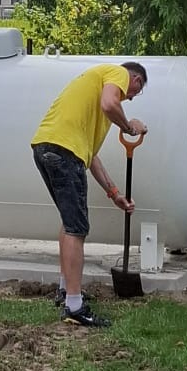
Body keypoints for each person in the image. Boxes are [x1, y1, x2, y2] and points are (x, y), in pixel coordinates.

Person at [31, 62, 148, 328]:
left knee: (70, 222)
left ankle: (65, 289)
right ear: (136, 78)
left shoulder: (93, 106)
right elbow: (110, 103)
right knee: (77, 228)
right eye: (135, 91)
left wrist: (114, 193)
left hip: (45, 146)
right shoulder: (116, 74)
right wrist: (129, 127)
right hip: (63, 151)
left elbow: (90, 156)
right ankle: (74, 305)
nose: (129, 97)